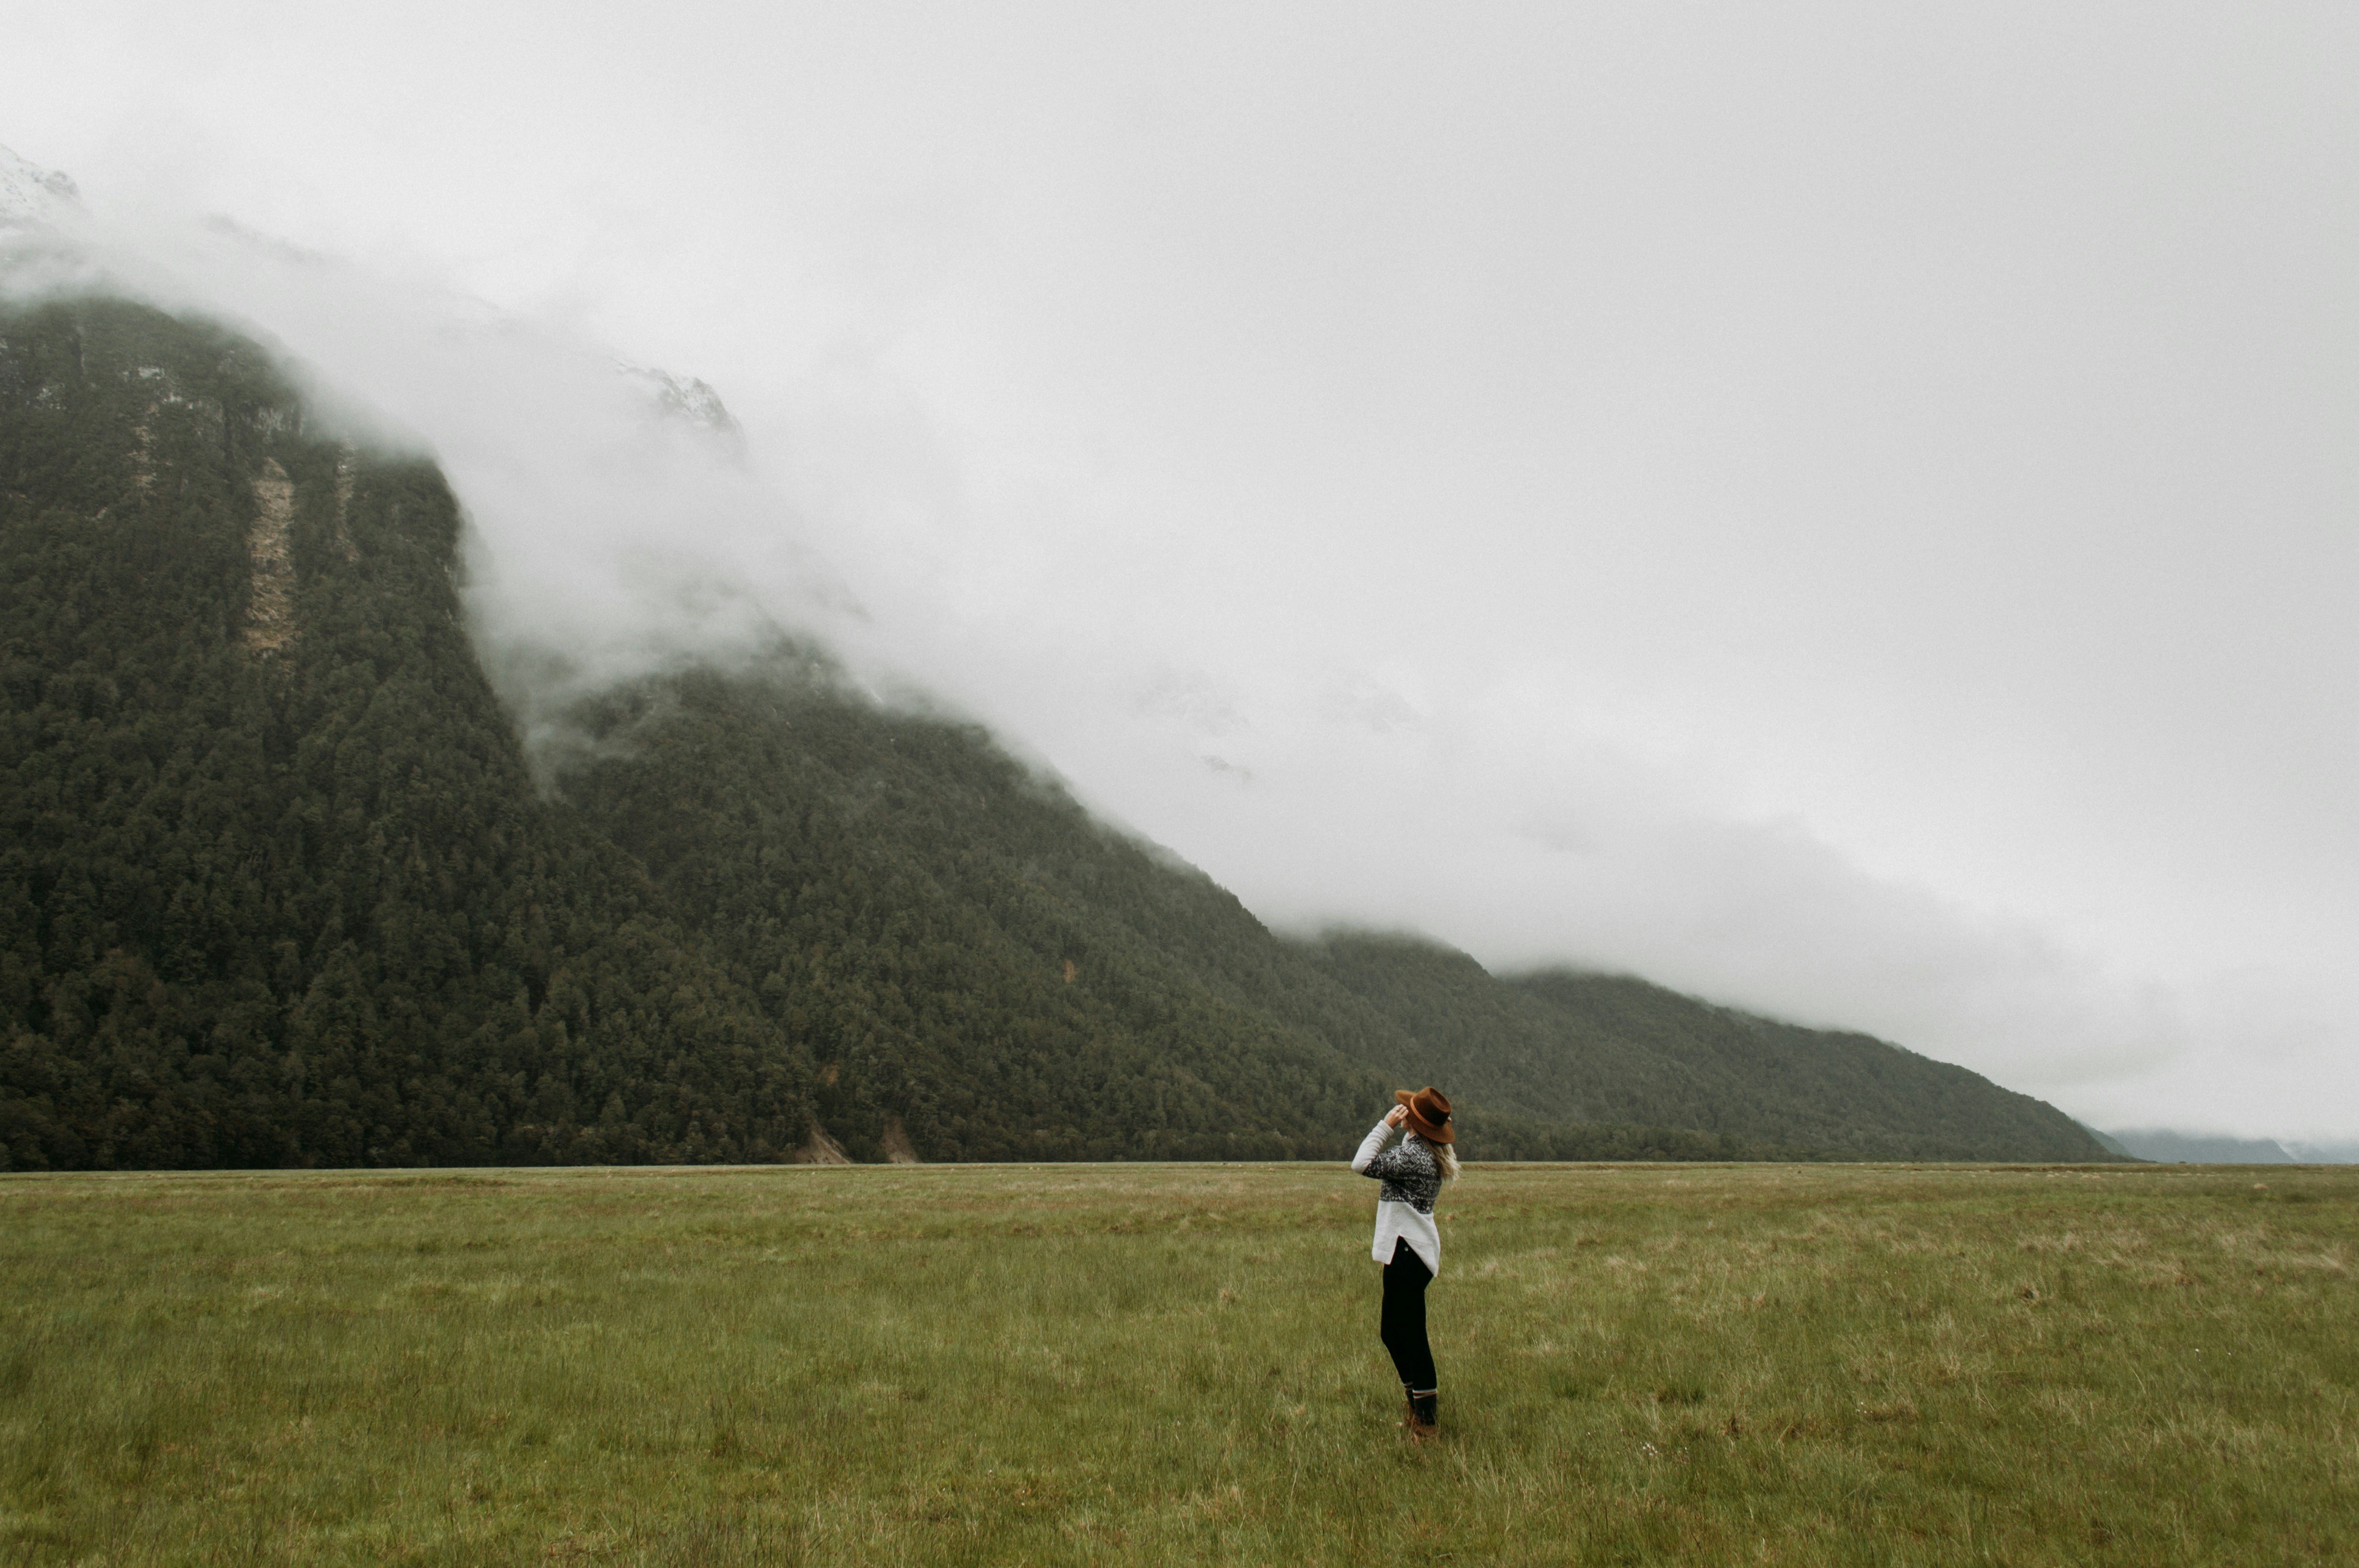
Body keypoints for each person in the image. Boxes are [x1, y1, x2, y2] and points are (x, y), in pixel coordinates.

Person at [1350, 1085, 1458, 1439]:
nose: (1402, 1111)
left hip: (1408, 1253)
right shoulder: (1421, 1152)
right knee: (1394, 1333)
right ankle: (1417, 1410)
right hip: (1408, 1252)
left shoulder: (1413, 1157)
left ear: (1415, 1122)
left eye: (1407, 1110)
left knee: (1410, 1336)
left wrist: (1385, 1126)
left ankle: (1425, 1423)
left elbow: (1361, 1163)